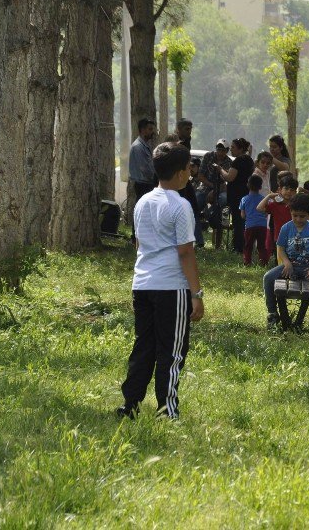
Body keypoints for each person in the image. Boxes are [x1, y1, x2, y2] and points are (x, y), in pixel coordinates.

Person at [116, 142, 204, 420]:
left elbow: (139, 242)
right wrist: (196, 294)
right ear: (181, 173)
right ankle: (167, 410)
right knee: (172, 350)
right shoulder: (180, 205)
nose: (190, 173)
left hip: (142, 284)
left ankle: (130, 404)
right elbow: (186, 252)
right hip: (171, 287)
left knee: (144, 346)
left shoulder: (143, 202)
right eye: (189, 168)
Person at [262, 193, 309, 332]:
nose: (298, 219)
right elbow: (280, 249)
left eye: (302, 216)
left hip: (307, 267)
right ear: (290, 212)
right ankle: (272, 314)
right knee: (268, 277)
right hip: (289, 266)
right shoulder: (286, 228)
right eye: (294, 215)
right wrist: (287, 263)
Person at [216, 138, 255, 253]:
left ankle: (238, 247)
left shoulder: (238, 161)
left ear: (240, 149)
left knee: (238, 222)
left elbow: (229, 177)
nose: (231, 149)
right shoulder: (249, 160)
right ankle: (243, 246)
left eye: (233, 147)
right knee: (242, 221)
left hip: (236, 194)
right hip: (246, 193)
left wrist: (220, 170)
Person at [259, 175, 298, 253]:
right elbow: (259, 208)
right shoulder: (275, 205)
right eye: (286, 189)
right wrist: (269, 196)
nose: (289, 192)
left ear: (295, 192)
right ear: (280, 190)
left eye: (292, 190)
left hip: (295, 238)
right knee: (280, 262)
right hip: (279, 238)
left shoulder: (296, 205)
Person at [240, 174, 270, 267]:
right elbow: (266, 213)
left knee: (248, 246)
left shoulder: (244, 199)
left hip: (250, 226)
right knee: (261, 246)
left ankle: (247, 262)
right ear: (260, 187)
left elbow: (243, 215)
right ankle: (263, 263)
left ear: (248, 185)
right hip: (262, 226)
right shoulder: (263, 199)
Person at [128, 118, 157, 201]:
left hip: (147, 184)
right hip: (143, 185)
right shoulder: (138, 147)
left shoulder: (144, 145)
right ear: (143, 130)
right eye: (150, 129)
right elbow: (145, 169)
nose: (153, 132)